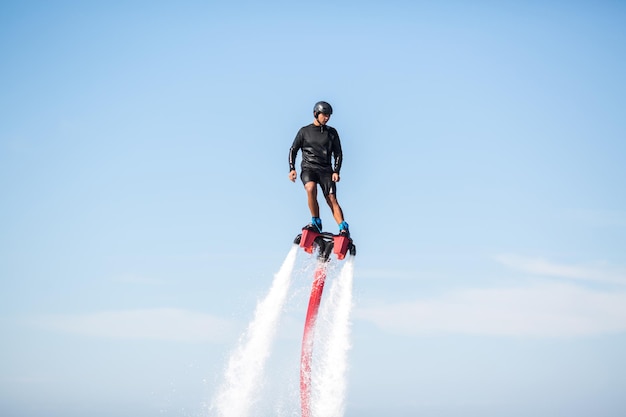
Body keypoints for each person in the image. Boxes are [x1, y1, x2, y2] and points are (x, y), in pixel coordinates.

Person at [288, 101, 349, 236]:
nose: (327, 118)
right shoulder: (304, 131)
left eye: (329, 116)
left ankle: (343, 228)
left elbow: (338, 153)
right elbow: (293, 149)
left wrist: (336, 171)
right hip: (309, 167)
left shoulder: (332, 133)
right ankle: (316, 221)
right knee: (310, 188)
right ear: (316, 114)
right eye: (324, 115)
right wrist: (292, 169)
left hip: (326, 170)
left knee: (331, 198)